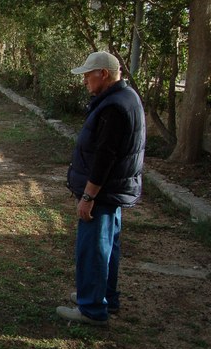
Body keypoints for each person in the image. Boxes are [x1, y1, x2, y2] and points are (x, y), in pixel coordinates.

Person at [57, 51, 146, 326]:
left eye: (88, 75)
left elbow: (105, 157)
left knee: (94, 249)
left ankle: (92, 308)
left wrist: (88, 196)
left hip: (103, 193)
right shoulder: (124, 98)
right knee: (107, 247)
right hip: (113, 191)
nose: (84, 80)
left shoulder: (114, 108)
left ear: (103, 74)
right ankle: (103, 296)